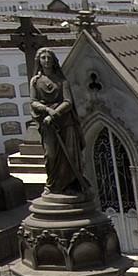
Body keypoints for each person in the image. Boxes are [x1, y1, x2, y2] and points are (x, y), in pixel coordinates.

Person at [29, 48, 85, 195]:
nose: (46, 60)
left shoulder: (62, 81)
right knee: (50, 154)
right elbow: (33, 102)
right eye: (43, 58)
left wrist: (55, 113)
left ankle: (70, 183)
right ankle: (52, 184)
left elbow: (68, 102)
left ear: (54, 61)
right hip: (47, 124)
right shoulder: (35, 82)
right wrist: (47, 111)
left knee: (70, 154)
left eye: (49, 58)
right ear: (39, 61)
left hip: (66, 122)